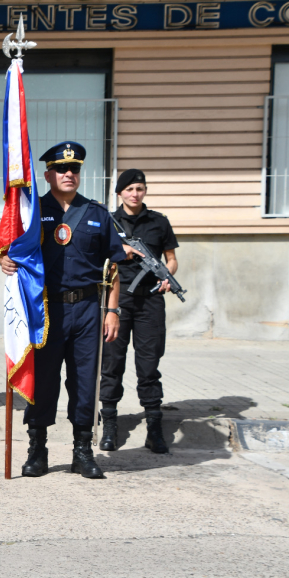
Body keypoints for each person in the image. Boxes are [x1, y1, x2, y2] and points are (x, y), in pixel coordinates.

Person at [0, 141, 126, 479]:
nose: (69, 174)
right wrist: (4, 257)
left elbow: (113, 266)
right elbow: (13, 248)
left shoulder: (98, 213)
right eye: (61, 169)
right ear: (48, 175)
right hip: (46, 310)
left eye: (75, 169)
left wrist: (113, 311)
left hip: (87, 309)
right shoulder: (32, 212)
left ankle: (82, 451)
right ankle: (37, 449)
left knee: (85, 381)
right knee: (43, 382)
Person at [99, 169, 179, 454]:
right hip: (116, 300)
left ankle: (154, 428)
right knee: (111, 362)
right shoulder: (107, 221)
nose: (135, 194)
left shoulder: (158, 222)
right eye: (130, 189)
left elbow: (172, 260)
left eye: (140, 189)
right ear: (120, 192)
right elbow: (96, 254)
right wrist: (120, 249)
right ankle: (108, 423)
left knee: (148, 365)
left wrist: (167, 277)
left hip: (150, 300)